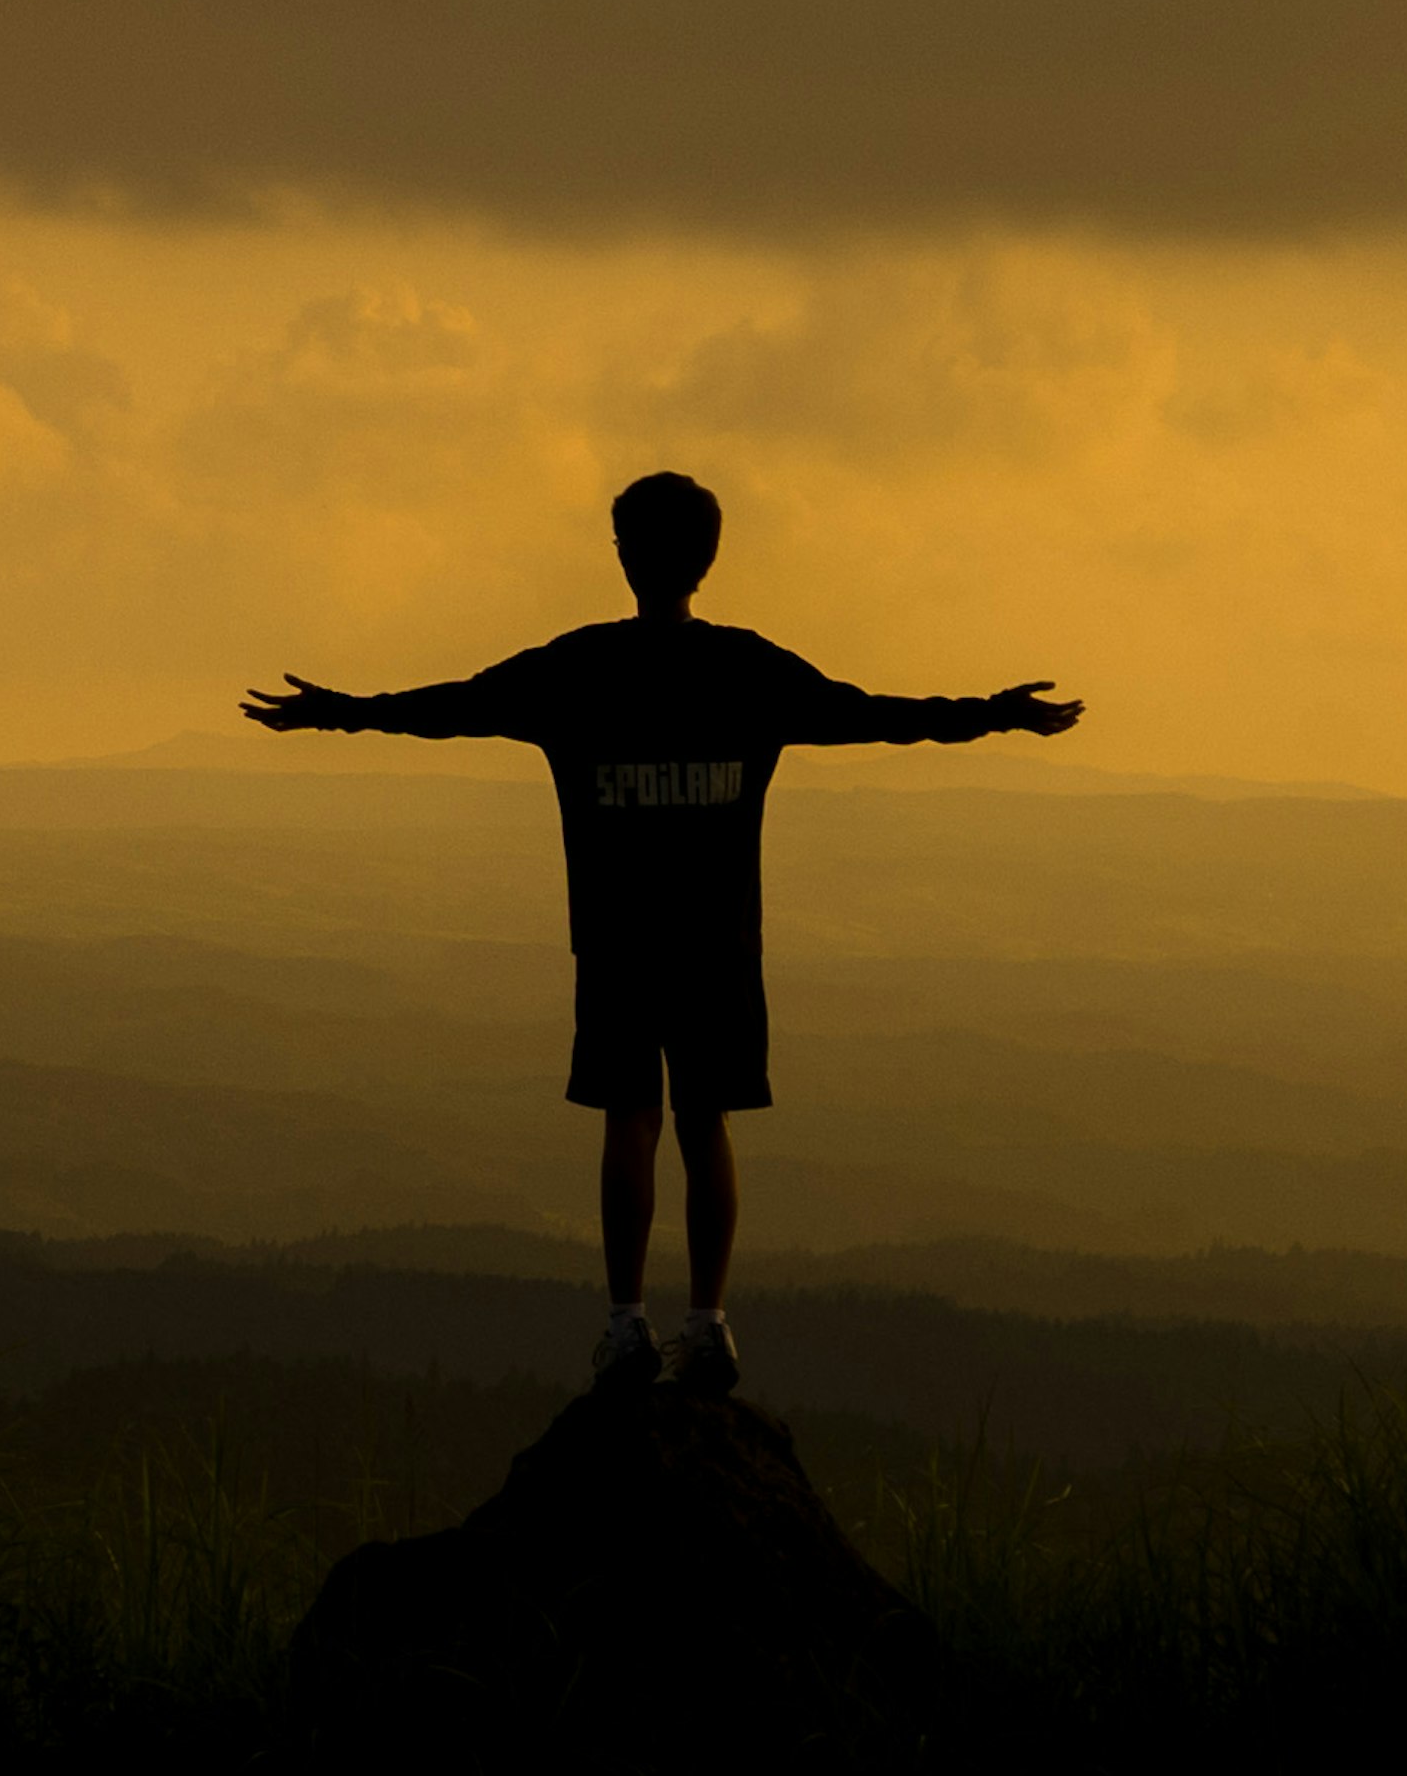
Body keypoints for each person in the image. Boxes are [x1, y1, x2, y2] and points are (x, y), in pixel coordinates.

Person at [244, 469, 1080, 1397]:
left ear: (622, 555)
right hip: (719, 938)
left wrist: (338, 711)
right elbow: (877, 715)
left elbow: (446, 708)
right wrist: (994, 713)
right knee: (705, 1118)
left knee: (629, 1118)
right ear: (708, 559)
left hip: (615, 938)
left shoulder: (577, 667)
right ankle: (710, 1326)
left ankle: (626, 1324)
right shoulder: (747, 668)